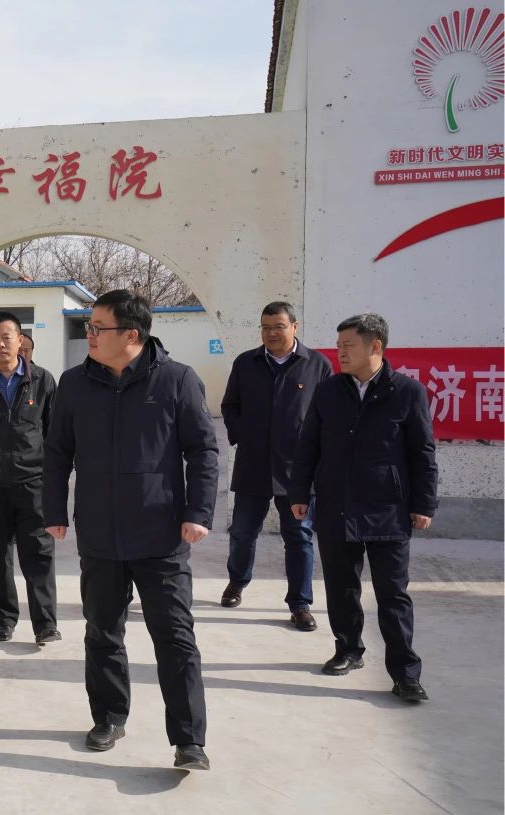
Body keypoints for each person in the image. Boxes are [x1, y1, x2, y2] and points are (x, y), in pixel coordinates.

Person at [43, 289, 217, 772]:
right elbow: (56, 452)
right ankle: (108, 717)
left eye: (98, 327)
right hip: (99, 532)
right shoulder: (75, 384)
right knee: (102, 631)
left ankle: (189, 740)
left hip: (160, 533)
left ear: (132, 335)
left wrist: (199, 512)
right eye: (89, 327)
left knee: (175, 637)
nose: (89, 335)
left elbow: (203, 450)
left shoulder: (177, 380)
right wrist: (53, 509)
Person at [290, 313, 437, 702]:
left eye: (348, 345)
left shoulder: (407, 392)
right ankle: (348, 650)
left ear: (376, 346)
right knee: (341, 587)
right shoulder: (328, 392)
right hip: (336, 504)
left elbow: (423, 453)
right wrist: (299, 493)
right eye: (338, 345)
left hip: (388, 508)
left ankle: (405, 673)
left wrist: (424, 503)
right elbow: (308, 446)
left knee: (392, 594)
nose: (340, 352)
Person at [219, 301, 333, 630]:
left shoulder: (317, 365)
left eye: (279, 327)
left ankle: (300, 604)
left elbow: (329, 414)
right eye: (266, 327)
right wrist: (243, 435)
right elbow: (230, 405)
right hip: (253, 464)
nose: (271, 333)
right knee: (242, 532)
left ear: (294, 327)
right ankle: (237, 582)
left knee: (299, 536)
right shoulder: (246, 363)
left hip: (298, 470)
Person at [0, 311, 60, 644]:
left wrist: (53, 482)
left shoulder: (42, 380)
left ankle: (46, 624)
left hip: (33, 483)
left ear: (20, 340)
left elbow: (55, 435)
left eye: (7, 337)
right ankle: (4, 619)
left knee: (38, 554)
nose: (1, 344)